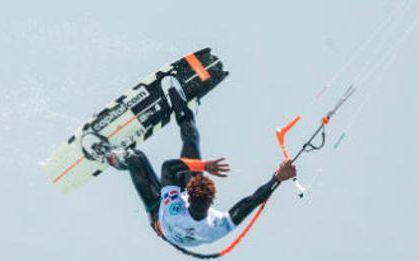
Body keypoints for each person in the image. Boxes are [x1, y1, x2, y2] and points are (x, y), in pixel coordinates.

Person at [107, 76, 297, 247]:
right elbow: (250, 203)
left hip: (159, 213)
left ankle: (111, 157)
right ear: (210, 201)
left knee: (136, 158)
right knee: (190, 141)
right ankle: (181, 105)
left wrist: (204, 166)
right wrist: (277, 179)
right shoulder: (216, 227)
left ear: (189, 196)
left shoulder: (176, 211)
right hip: (179, 215)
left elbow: (168, 168)